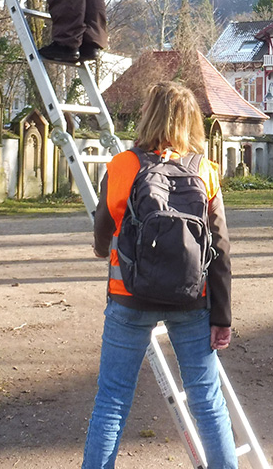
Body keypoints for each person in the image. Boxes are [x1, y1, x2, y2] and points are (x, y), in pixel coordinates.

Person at [85, 81, 237, 469]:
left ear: (148, 115)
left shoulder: (124, 165)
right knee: (206, 399)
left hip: (129, 295)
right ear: (192, 123)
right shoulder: (205, 170)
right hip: (192, 298)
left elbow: (104, 228)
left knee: (112, 401)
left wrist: (104, 251)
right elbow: (219, 248)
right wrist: (221, 317)